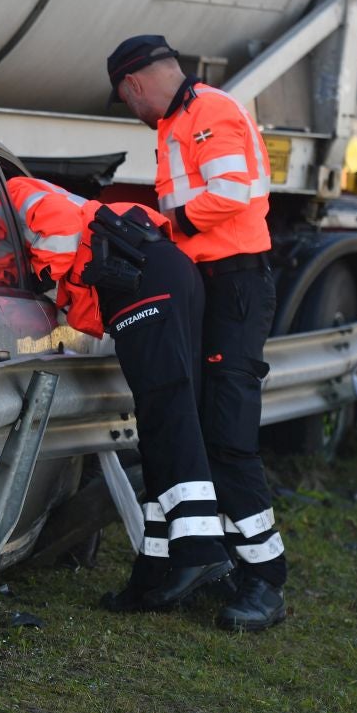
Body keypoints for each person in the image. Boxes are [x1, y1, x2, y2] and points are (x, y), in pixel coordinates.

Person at [106, 34, 287, 631]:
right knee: (192, 427)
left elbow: (231, 193)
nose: (132, 110)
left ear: (134, 84)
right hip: (210, 283)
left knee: (227, 432)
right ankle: (191, 562)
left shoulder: (207, 111)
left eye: (126, 99)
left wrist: (169, 225)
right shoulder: (178, 122)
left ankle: (264, 580)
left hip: (235, 284)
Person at [5, 176, 232, 613]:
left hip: (141, 283)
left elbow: (58, 236)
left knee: (167, 415)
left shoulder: (12, 193)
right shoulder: (6, 203)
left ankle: (200, 551)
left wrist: (37, 281)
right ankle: (155, 570)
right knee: (160, 421)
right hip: (159, 274)